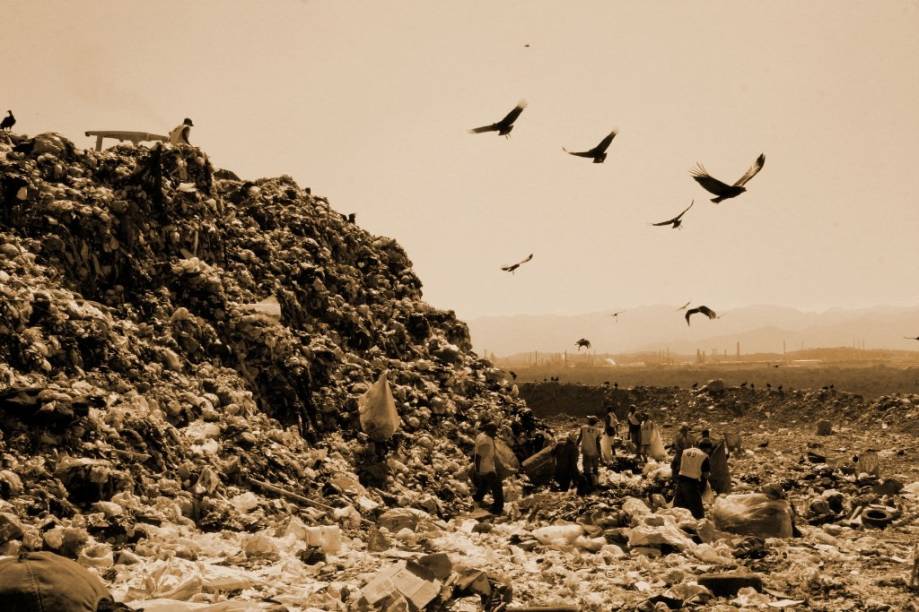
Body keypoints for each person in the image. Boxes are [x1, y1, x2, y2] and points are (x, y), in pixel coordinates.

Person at [472, 420, 504, 514]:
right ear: (489, 430)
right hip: (487, 468)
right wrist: (477, 470)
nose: (495, 434)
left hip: (483, 467)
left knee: (484, 484)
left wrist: (478, 469)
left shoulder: (481, 435)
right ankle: (497, 508)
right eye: (493, 432)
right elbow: (478, 456)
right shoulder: (485, 441)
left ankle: (477, 497)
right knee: (497, 488)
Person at [673, 442, 711, 519]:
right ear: (707, 449)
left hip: (681, 480)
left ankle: (676, 524)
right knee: (697, 511)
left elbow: (675, 464)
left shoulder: (685, 451)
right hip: (692, 483)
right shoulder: (704, 456)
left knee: (678, 507)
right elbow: (705, 474)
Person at [578, 416, 602, 489]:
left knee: (586, 469)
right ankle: (595, 484)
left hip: (586, 452)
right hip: (595, 452)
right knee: (595, 469)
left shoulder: (583, 428)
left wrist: (575, 446)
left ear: (590, 421)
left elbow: (579, 438)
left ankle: (587, 485)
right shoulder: (598, 431)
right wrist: (600, 455)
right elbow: (598, 443)